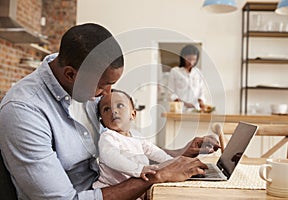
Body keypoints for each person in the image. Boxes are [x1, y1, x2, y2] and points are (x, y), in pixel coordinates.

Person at [0, 23, 220, 200]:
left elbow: (125, 149)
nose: (108, 93)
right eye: (103, 85)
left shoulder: (83, 84)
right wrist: (156, 176)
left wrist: (180, 153)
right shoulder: (23, 111)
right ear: (70, 75)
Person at [93, 89, 173, 199]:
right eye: (106, 109)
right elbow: (110, 157)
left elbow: (155, 151)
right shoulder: (108, 137)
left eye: (120, 105)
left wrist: (172, 162)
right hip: (112, 189)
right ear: (103, 123)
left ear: (133, 114)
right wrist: (138, 169)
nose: (113, 111)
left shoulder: (137, 136)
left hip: (134, 189)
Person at [168, 44, 206, 111]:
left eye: (194, 59)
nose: (191, 62)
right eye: (189, 59)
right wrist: (179, 102)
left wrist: (201, 101)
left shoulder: (198, 73)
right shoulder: (175, 71)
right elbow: (170, 91)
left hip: (195, 109)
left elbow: (202, 91)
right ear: (183, 58)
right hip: (179, 109)